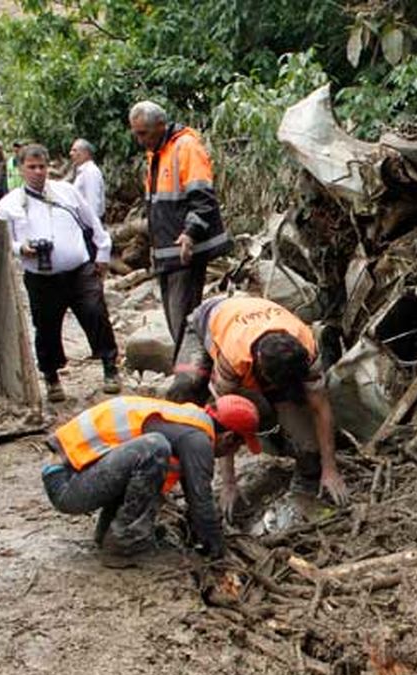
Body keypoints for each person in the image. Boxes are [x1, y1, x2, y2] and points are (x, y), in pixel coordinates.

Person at [169, 295, 348, 508]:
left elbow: (320, 407)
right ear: (262, 370)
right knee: (185, 391)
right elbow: (226, 416)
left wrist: (330, 469)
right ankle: (179, 462)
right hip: (208, 322)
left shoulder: (307, 348)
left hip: (255, 323)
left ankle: (291, 458)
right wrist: (229, 484)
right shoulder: (234, 358)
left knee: (309, 450)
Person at [42, 394, 262, 566]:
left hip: (68, 474)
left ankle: (111, 534)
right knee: (154, 448)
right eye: (238, 446)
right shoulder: (196, 440)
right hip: (67, 486)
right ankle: (124, 544)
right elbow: (200, 499)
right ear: (229, 437)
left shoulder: (187, 423)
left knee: (149, 457)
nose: (231, 453)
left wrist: (205, 535)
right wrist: (218, 549)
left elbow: (193, 493)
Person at [0, 143, 120, 402]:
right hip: (41, 277)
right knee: (46, 326)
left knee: (96, 312)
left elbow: (93, 223)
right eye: (32, 167)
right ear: (21, 169)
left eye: (42, 166)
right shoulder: (10, 204)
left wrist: (103, 254)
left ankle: (110, 367)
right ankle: (51, 377)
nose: (38, 172)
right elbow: (4, 240)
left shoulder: (67, 193)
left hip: (78, 270)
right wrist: (22, 248)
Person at [128, 101, 231, 355]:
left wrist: (190, 234)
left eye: (143, 133)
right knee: (177, 321)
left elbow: (203, 199)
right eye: (136, 133)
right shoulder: (157, 152)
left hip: (184, 251)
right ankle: (188, 372)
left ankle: (190, 376)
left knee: (183, 320)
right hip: (167, 252)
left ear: (160, 126)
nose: (139, 140)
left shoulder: (185, 147)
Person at [69, 138, 105, 220]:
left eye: (74, 150)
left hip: (88, 225)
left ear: (85, 153)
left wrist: (94, 228)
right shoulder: (83, 171)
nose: (71, 153)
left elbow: (93, 202)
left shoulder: (90, 172)